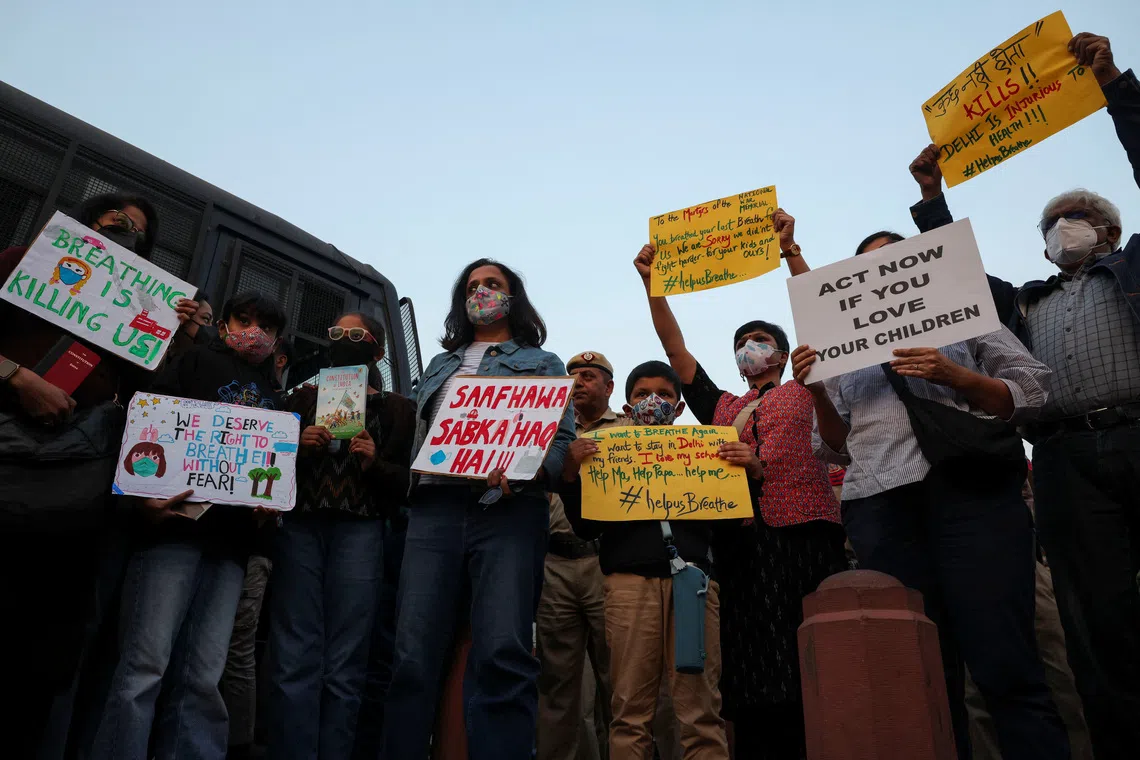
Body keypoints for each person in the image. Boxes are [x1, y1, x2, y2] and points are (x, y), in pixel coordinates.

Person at [906, 31, 1140, 760]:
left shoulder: (1131, 271)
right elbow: (958, 275)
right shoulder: (1026, 303)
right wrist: (932, 200)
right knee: (1094, 621)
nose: (1060, 227)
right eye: (1050, 224)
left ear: (1109, 230)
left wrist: (1114, 90)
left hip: (1137, 434)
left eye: (1076, 216)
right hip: (1065, 459)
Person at [792, 225, 1069, 759]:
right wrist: (818, 393)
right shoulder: (837, 351)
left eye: (897, 260)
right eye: (866, 268)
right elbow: (835, 447)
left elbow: (1032, 388)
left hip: (972, 497)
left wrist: (956, 375)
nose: (883, 274)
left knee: (1005, 664)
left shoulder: (966, 316)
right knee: (916, 673)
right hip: (879, 507)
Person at [634, 214, 848, 759]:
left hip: (805, 534)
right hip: (741, 545)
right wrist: (651, 283)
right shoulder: (724, 407)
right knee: (750, 660)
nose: (748, 348)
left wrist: (791, 251)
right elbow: (675, 348)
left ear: (782, 351)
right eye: (741, 343)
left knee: (810, 653)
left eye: (759, 340)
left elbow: (824, 317)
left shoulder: (809, 386)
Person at [0, 193, 196, 756]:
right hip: (7, 470)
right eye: (114, 222)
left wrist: (143, 494)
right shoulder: (22, 263)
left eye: (137, 232)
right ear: (81, 227)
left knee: (42, 660)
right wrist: (17, 377)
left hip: (72, 505)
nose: (124, 232)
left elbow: (142, 412)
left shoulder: (140, 324)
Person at [382, 259, 575, 760]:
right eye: (472, 286)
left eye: (493, 284)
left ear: (514, 297)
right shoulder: (440, 366)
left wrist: (526, 470)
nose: (481, 292)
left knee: (504, 653)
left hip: (508, 514)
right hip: (433, 511)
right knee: (410, 656)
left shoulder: (544, 361)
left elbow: (559, 439)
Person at [90, 291, 285, 760]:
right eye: (243, 319)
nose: (252, 330)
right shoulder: (194, 361)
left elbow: (273, 472)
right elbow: (146, 427)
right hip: (171, 535)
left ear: (278, 339)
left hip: (232, 548)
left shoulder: (277, 399)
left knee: (202, 677)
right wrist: (143, 502)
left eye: (264, 325)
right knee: (145, 668)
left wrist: (270, 505)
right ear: (224, 325)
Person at [559, 361, 764, 760]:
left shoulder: (708, 453)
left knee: (701, 710)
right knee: (630, 713)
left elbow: (732, 526)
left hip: (694, 588)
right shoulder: (606, 455)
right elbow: (585, 528)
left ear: (680, 407)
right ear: (628, 405)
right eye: (642, 395)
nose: (654, 401)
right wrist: (570, 475)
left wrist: (751, 473)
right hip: (628, 586)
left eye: (665, 395)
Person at [267, 313, 415, 760]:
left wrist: (375, 462)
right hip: (302, 526)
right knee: (295, 652)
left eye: (356, 335)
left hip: (363, 529)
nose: (344, 341)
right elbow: (264, 459)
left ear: (378, 351)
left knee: (347, 660)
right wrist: (297, 445)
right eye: (336, 334)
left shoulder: (398, 408)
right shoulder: (301, 397)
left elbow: (411, 482)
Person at [537, 351, 625, 760]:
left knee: (620, 679)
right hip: (554, 564)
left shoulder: (628, 430)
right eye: (571, 375)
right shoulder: (546, 432)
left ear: (609, 386)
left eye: (588, 376)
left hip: (607, 564)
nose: (577, 382)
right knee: (557, 682)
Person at [220, 337, 294, 760]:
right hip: (216, 536)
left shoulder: (283, 407)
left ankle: (237, 744)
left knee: (237, 647)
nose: (253, 338)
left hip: (256, 541)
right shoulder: (208, 381)